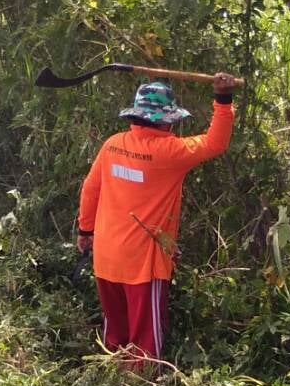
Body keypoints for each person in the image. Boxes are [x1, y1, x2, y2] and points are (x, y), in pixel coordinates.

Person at [76, 72, 238, 363]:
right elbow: (215, 143)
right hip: (142, 264)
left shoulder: (112, 145)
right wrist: (223, 99)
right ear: (166, 121)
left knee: (115, 335)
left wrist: (85, 231)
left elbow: (90, 189)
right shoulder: (169, 152)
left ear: (136, 116)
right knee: (145, 347)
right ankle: (142, 385)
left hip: (107, 256)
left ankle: (113, 381)